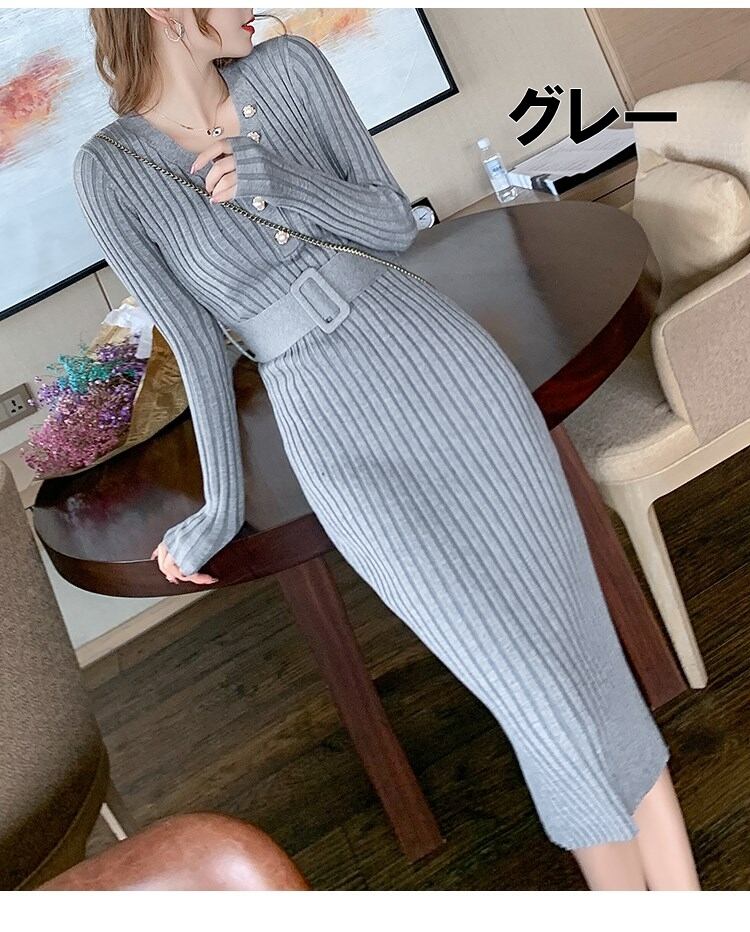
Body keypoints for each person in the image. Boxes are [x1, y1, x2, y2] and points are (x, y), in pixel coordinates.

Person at [72, 8, 700, 890]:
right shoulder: (112, 171)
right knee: (531, 694)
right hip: (335, 433)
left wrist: (278, 179)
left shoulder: (290, 70)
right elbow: (197, 343)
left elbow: (391, 221)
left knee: (584, 653)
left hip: (447, 371)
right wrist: (220, 507)